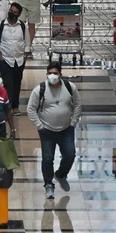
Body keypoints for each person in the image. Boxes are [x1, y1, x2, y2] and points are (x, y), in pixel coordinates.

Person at [27, 61, 82, 199]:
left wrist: (73, 122)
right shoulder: (39, 89)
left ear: (60, 75)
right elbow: (31, 109)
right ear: (46, 74)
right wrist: (40, 126)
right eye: (50, 73)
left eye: (55, 73)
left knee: (70, 155)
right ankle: (48, 185)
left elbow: (77, 105)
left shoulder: (70, 87)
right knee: (47, 158)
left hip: (66, 129)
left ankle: (61, 175)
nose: (52, 76)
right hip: (46, 130)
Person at [0, 2, 29, 113]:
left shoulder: (22, 26)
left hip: (19, 60)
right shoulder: (1, 25)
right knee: (7, 84)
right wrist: (0, 58)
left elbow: (27, 43)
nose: (12, 13)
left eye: (15, 12)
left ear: (19, 14)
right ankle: (7, 106)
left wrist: (25, 56)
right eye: (11, 10)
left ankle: (15, 106)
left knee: (17, 83)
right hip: (5, 59)